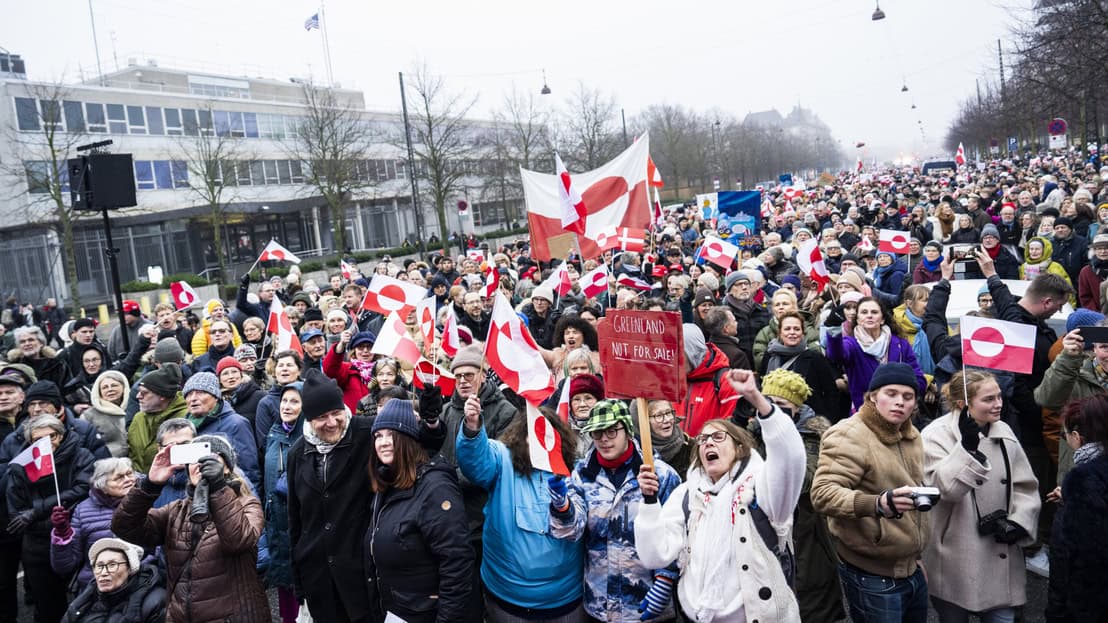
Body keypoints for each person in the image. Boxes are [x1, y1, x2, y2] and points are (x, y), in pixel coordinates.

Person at [634, 369, 806, 622]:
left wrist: (756, 399)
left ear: (739, 448)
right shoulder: (687, 494)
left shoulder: (759, 489)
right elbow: (655, 555)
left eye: (718, 437)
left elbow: (791, 458)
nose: (708, 443)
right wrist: (649, 502)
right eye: (703, 439)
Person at [811, 363, 931, 623]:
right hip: (872, 576)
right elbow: (822, 493)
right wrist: (876, 503)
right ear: (873, 395)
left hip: (911, 570)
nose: (900, 402)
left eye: (908, 396)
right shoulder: (849, 435)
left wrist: (915, 558)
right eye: (891, 393)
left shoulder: (913, 436)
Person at [922, 370, 1040, 623]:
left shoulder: (1004, 430)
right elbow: (945, 490)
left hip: (999, 548)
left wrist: (1020, 520)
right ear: (963, 403)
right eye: (988, 399)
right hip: (955, 553)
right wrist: (967, 449)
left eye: (999, 396)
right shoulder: (935, 435)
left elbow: (1025, 485)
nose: (998, 404)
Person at [549, 399, 683, 622]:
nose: (604, 439)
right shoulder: (582, 475)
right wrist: (562, 505)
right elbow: (570, 532)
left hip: (648, 605)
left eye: (612, 431)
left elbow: (678, 533)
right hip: (600, 607)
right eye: (597, 433)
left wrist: (665, 580)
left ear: (628, 430)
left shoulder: (660, 474)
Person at [111, 434, 270, 622]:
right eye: (193, 459)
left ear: (226, 467)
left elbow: (238, 542)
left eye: (209, 457)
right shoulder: (177, 510)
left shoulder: (247, 504)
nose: (200, 464)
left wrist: (218, 487)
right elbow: (124, 526)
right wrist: (150, 485)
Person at [455, 396, 584, 622]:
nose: (537, 442)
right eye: (531, 435)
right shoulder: (503, 458)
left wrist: (564, 506)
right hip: (507, 599)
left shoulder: (573, 470)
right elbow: (476, 462)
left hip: (564, 602)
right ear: (519, 437)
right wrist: (473, 427)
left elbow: (578, 524)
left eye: (546, 436)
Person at [365, 399, 474, 623]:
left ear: (407, 440)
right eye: (378, 436)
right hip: (395, 611)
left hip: (424, 614)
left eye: (391, 434)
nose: (383, 443)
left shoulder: (435, 488)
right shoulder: (387, 481)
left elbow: (457, 562)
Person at [750, 369, 845, 622]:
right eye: (768, 402)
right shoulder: (752, 432)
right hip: (764, 531)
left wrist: (778, 441)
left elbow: (804, 482)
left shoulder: (814, 437)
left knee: (810, 603)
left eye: (781, 405)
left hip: (809, 536)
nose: (773, 410)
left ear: (797, 408)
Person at [6, 414, 97, 623]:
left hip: (76, 538)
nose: (46, 444)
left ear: (62, 435)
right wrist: (49, 520)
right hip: (37, 545)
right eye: (38, 440)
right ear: (30, 442)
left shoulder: (81, 455)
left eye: (52, 436)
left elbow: (83, 489)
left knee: (84, 604)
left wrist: (36, 512)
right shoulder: (20, 465)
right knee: (47, 606)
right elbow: (17, 512)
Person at [1045, 394, 1108, 621]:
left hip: (1088, 603)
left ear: (1076, 437)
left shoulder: (1083, 479)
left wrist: (1057, 612)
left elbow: (1070, 558)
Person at [49, 457, 136, 592]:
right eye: (119, 477)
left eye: (130, 473)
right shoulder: (82, 511)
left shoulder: (148, 501)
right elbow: (65, 566)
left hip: (139, 581)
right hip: (96, 586)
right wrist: (62, 534)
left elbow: (158, 551)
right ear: (103, 486)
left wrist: (132, 568)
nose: (128, 479)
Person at [824, 297, 926, 411]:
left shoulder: (901, 344)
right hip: (865, 413)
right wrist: (834, 328)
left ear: (882, 319)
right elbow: (836, 355)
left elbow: (918, 377)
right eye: (864, 312)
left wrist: (906, 394)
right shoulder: (851, 344)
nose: (869, 315)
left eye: (874, 312)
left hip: (898, 411)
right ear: (857, 319)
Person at [179, 371, 260, 493]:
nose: (193, 398)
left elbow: (250, 472)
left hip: (227, 497)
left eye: (200, 393)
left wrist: (251, 501)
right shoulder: (183, 428)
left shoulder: (236, 424)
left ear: (215, 396)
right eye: (189, 394)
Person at [759, 311, 844, 422]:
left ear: (803, 333)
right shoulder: (769, 355)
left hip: (808, 421)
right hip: (775, 418)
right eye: (787, 329)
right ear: (780, 332)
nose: (792, 332)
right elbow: (763, 386)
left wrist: (825, 420)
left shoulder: (815, 358)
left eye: (796, 329)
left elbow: (831, 392)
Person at [265, 382, 303, 623]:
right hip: (276, 523)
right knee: (284, 587)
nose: (287, 407)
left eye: (295, 401)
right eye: (284, 401)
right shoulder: (275, 432)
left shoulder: (307, 437)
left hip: (299, 522)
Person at [61, 537, 165, 623]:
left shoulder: (155, 602)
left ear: (130, 568)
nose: (104, 572)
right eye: (99, 566)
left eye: (112, 565)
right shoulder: (83, 602)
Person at [127, 363, 188, 473]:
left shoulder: (185, 420)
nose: (138, 396)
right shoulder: (138, 418)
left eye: (144, 393)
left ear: (162, 396)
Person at [322, 329, 377, 413]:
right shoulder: (347, 369)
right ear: (354, 351)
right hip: (354, 421)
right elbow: (330, 369)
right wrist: (341, 345)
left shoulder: (381, 371)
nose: (365, 350)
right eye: (360, 347)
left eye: (369, 347)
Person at [79, 371, 129, 457]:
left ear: (124, 387)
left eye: (114, 385)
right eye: (105, 387)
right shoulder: (89, 416)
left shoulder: (136, 408)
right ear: (99, 392)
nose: (110, 389)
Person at [217, 356, 263, 426]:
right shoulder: (216, 403)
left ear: (241, 375)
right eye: (225, 373)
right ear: (219, 379)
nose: (231, 376)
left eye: (234, 371)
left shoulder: (259, 396)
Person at [1077, 233, 1108, 311]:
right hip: (1097, 317)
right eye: (1099, 248)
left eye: (1106, 248)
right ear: (1094, 251)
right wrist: (1097, 314)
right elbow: (1085, 297)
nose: (1103, 251)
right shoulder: (1086, 271)